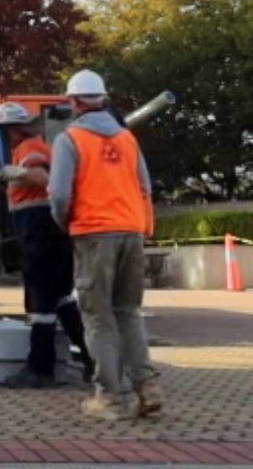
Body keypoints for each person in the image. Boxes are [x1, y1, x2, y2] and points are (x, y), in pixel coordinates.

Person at [48, 70, 163, 421]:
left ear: (75, 102)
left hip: (94, 235)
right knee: (128, 312)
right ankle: (147, 388)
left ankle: (109, 398)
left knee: (97, 318)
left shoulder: (70, 139)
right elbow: (144, 187)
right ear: (103, 99)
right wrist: (142, 227)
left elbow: (60, 194)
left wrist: (66, 222)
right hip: (131, 232)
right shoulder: (128, 139)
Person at [0, 101, 94, 389]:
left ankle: (40, 368)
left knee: (41, 303)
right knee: (62, 298)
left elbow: (43, 178)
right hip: (53, 233)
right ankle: (92, 360)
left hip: (40, 234)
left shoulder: (29, 149)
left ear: (12, 130)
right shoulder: (42, 146)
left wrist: (19, 173)